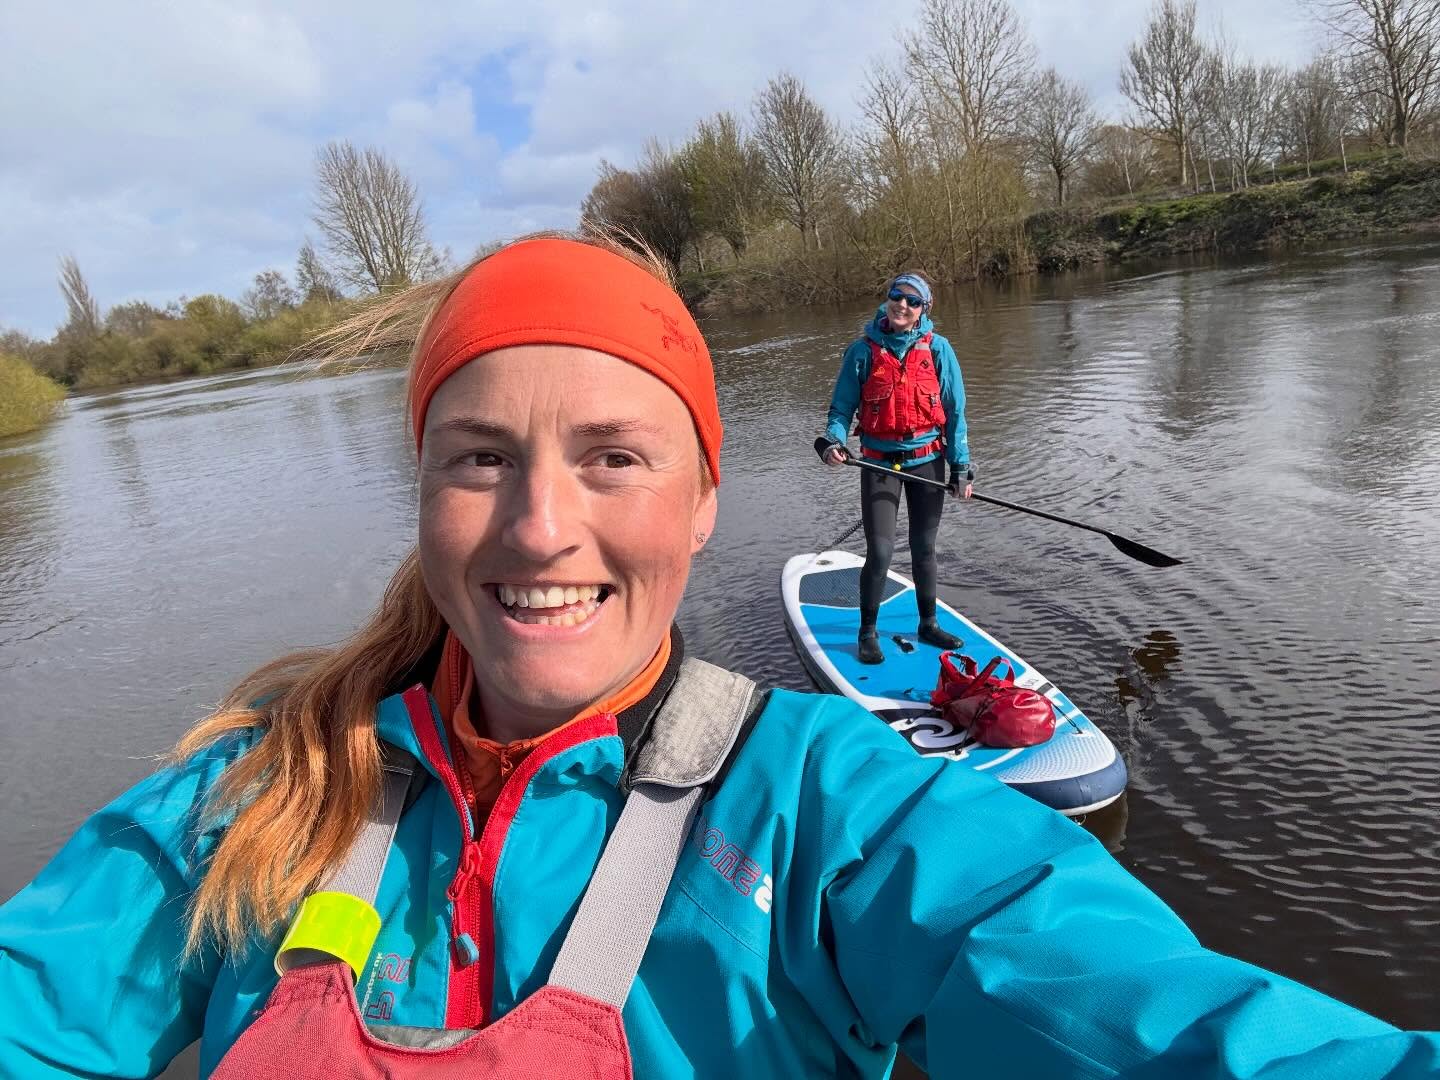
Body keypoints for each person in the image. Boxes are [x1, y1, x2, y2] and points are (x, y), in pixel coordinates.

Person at [1, 233, 1437, 1079]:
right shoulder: (259, 794)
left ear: (699, 505)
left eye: (614, 458)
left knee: (920, 564)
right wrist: (836, 430)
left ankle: (910, 627)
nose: (542, 526)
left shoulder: (835, 812)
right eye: (480, 458)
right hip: (875, 465)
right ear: (424, 498)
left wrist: (969, 459)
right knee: (879, 562)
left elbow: (1144, 1013)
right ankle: (884, 616)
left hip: (929, 462)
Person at [821, 271, 972, 665]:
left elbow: (955, 415)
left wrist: (961, 467)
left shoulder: (939, 350)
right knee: (882, 551)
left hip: (928, 462)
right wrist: (831, 442)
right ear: (887, 299)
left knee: (924, 548)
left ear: (924, 309)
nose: (902, 305)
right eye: (896, 296)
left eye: (913, 300)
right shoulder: (862, 352)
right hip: (879, 463)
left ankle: (928, 623)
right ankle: (867, 632)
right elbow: (841, 410)